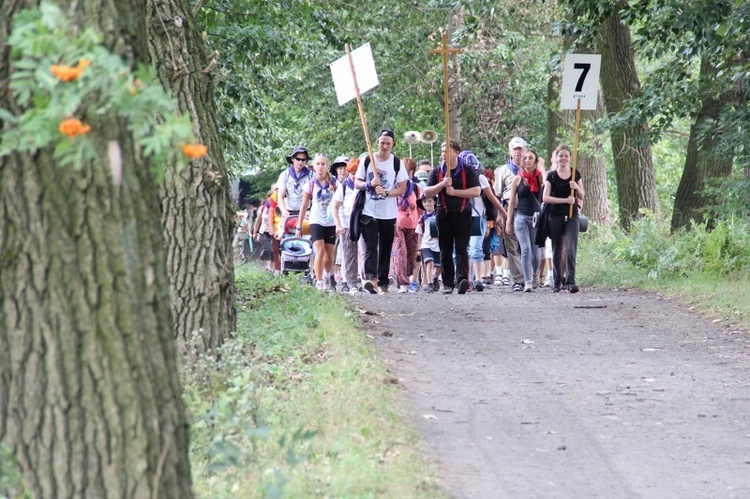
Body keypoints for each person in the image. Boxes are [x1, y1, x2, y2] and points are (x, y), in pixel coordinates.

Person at [354, 129, 408, 294]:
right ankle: (371, 279)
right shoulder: (367, 160)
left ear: (393, 144)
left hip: (388, 213)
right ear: (377, 143)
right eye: (382, 142)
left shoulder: (397, 163)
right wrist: (368, 184)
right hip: (368, 211)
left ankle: (383, 282)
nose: (384, 146)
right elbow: (357, 182)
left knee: (385, 247)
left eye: (388, 143)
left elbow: (402, 188)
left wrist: (386, 193)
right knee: (371, 246)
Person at [424, 140, 481, 294]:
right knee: (445, 248)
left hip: (463, 213)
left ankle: (462, 280)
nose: (443, 154)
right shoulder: (437, 172)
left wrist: (456, 192)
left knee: (462, 248)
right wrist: (441, 185)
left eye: (447, 151)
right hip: (444, 213)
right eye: (442, 152)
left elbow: (476, 191)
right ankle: (448, 283)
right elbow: (427, 193)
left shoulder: (468, 170)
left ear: (456, 153)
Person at [461, 150, 507, 292]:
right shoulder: (458, 177)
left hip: (478, 216)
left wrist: (503, 214)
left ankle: (479, 279)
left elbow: (491, 198)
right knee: (464, 249)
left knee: (476, 248)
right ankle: (466, 280)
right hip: (461, 216)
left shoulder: (480, 178)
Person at [543, 144, 584, 293]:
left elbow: (582, 195)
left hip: (572, 216)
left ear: (570, 158)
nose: (563, 158)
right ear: (556, 158)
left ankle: (570, 281)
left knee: (571, 249)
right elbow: (545, 197)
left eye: (566, 156)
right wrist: (565, 200)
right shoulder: (551, 176)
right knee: (557, 249)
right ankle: (557, 280)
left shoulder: (575, 174)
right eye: (561, 156)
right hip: (555, 216)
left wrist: (576, 187)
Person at [296, 154, 337, 291]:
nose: (320, 167)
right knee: (319, 251)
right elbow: (303, 206)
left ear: (327, 166)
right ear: (314, 166)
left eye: (323, 164)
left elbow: (340, 203)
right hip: (316, 220)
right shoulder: (310, 184)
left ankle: (326, 274)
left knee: (329, 256)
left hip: (331, 221)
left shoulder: (335, 183)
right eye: (318, 164)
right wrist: (299, 226)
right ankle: (319, 281)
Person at [506, 149, 544, 292]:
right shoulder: (518, 179)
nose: (527, 160)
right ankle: (527, 281)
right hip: (521, 217)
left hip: (536, 218)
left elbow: (546, 187)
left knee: (536, 252)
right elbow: (511, 202)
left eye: (530, 158)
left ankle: (535, 274)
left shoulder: (540, 178)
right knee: (526, 249)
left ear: (536, 161)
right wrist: (509, 221)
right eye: (525, 158)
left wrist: (543, 168)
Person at [494, 136, 526, 291]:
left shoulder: (531, 169)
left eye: (520, 149)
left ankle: (531, 277)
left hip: (527, 209)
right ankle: (518, 280)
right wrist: (499, 215)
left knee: (527, 246)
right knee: (511, 246)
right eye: (515, 149)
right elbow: (497, 196)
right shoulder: (503, 171)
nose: (518, 152)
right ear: (510, 151)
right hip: (509, 209)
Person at [393, 158, 422, 293]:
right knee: (400, 251)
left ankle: (408, 277)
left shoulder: (416, 188)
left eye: (409, 171)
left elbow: (420, 207)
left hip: (413, 224)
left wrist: (422, 223)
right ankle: (402, 282)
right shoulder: (394, 188)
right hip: (398, 224)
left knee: (411, 254)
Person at [332, 157, 360, 294]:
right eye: (352, 173)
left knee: (364, 253)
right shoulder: (343, 187)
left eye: (357, 172)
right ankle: (351, 283)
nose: (355, 176)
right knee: (349, 254)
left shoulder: (363, 186)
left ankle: (366, 280)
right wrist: (338, 225)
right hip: (346, 224)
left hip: (362, 224)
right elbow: (335, 207)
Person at [276, 145, 314, 233]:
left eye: (303, 160)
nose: (300, 162)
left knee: (309, 238)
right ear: (292, 159)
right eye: (298, 159)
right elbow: (280, 197)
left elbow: (316, 196)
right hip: (289, 213)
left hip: (306, 213)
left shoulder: (311, 175)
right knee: (280, 235)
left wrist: (312, 210)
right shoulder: (285, 175)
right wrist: (284, 211)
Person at [416, 195, 441, 292]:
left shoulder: (439, 215)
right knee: (429, 262)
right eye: (425, 202)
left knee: (439, 266)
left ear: (435, 202)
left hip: (438, 244)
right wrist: (419, 248)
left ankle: (435, 277)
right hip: (426, 244)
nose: (427, 204)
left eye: (429, 201)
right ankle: (429, 283)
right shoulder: (422, 218)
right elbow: (420, 234)